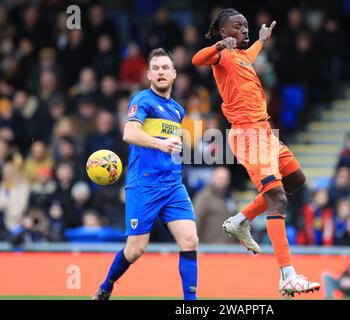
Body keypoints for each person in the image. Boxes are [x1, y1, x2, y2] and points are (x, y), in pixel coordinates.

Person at [192, 8, 319, 296]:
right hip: (248, 133)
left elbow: (250, 55)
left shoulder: (240, 57)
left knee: (296, 180)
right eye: (238, 26)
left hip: (264, 132)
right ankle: (287, 275)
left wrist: (261, 40)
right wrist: (217, 45)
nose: (244, 29)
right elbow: (196, 59)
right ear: (224, 32)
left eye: (246, 25)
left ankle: (239, 220)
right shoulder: (222, 54)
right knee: (277, 198)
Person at [93, 48, 198, 300]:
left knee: (190, 240)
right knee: (135, 250)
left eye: (165, 68)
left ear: (174, 74)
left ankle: (191, 304)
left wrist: (175, 149)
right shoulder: (142, 100)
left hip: (173, 185)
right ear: (149, 74)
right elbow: (129, 133)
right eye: (156, 68)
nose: (161, 72)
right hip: (145, 185)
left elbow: (171, 144)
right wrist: (161, 144)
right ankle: (106, 286)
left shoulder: (178, 110)